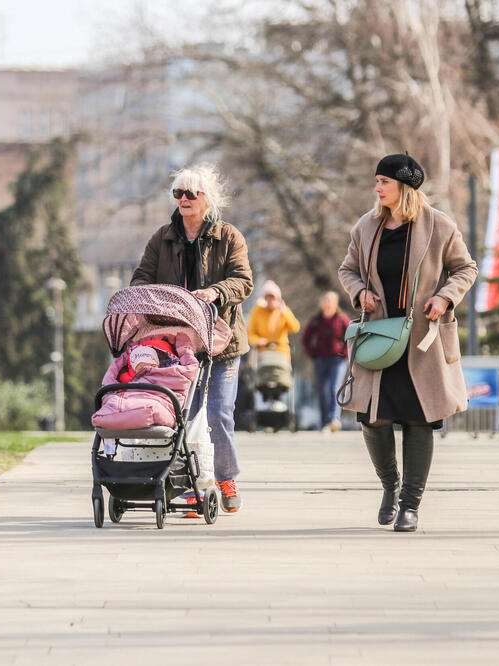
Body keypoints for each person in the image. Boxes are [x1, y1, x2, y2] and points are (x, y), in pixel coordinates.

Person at [338, 153, 477, 532]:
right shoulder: (367, 227)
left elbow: (466, 268)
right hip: (380, 336)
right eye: (376, 181)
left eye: (384, 181)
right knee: (374, 419)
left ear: (404, 186)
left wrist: (445, 296)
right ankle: (390, 485)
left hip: (422, 340)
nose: (377, 187)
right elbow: (347, 269)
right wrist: (360, 291)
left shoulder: (439, 226)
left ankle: (410, 505)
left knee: (420, 420)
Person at [131, 163, 253, 514]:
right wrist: (154, 300)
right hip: (180, 342)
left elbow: (243, 281)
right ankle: (191, 483)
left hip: (221, 342)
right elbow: (140, 278)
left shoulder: (229, 236)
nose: (183, 199)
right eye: (178, 193)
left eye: (190, 194)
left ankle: (226, 478)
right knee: (185, 413)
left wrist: (215, 292)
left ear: (207, 199)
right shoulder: (162, 238)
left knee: (218, 413)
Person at [302, 291, 351, 434]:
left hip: (338, 360)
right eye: (325, 300)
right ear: (321, 303)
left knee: (335, 388)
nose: (328, 303)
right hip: (321, 359)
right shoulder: (316, 320)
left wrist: (345, 354)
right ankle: (325, 422)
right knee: (322, 391)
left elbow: (351, 338)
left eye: (330, 301)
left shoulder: (342, 319)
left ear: (336, 304)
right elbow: (306, 339)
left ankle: (334, 419)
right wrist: (313, 354)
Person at [246, 280, 299, 411]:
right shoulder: (257, 311)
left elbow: (295, 327)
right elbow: (250, 333)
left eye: (273, 297)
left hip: (281, 350)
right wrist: (258, 341)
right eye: (267, 297)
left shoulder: (283, 311)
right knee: (264, 374)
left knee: (280, 374)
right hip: (264, 351)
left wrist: (284, 312)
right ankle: (267, 400)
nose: (270, 300)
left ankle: (278, 399)